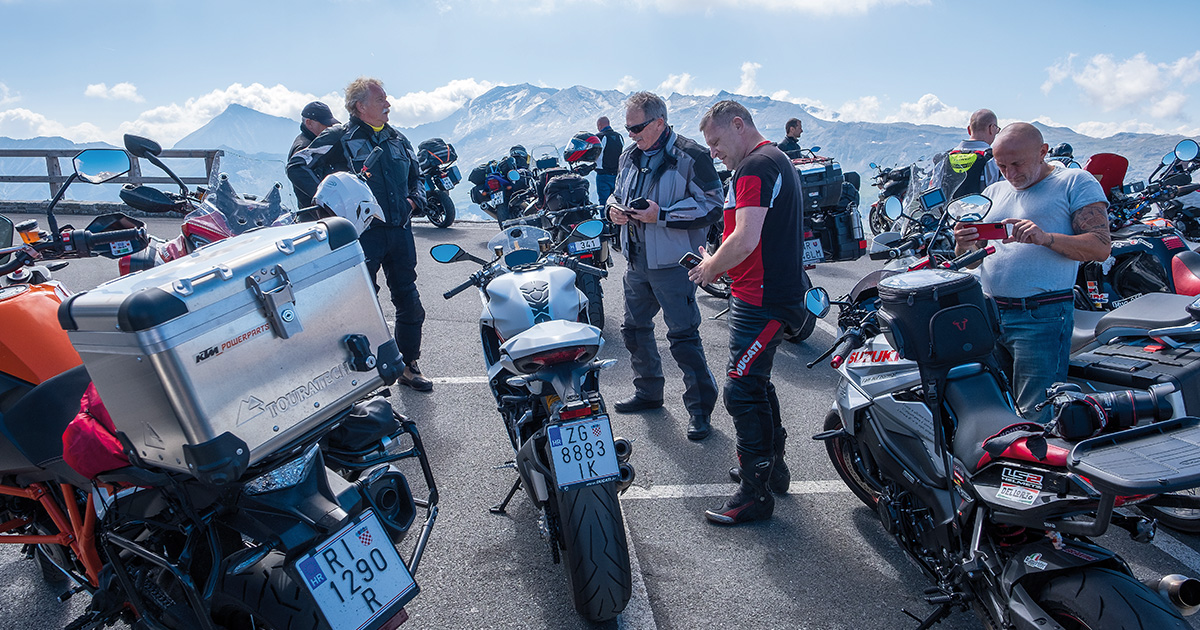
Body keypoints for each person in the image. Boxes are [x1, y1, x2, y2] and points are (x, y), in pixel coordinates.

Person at [691, 100, 809, 525]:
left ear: (738, 125)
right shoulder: (771, 159)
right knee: (755, 382)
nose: (713, 152)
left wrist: (710, 268)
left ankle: (754, 494)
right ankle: (771, 469)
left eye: (716, 142)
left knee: (740, 389)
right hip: (761, 293)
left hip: (763, 298)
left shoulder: (756, 166)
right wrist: (718, 259)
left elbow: (745, 239)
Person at [953, 123, 1110, 421]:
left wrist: (1045, 238)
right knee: (996, 409)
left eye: (1017, 164)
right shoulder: (994, 191)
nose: (1010, 174)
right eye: (1001, 166)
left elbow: (1101, 247)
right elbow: (971, 262)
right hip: (991, 313)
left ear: (1042, 152)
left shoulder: (1074, 181)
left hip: (1041, 316)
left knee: (1037, 413)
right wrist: (964, 243)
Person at [287, 77, 433, 392]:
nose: (388, 104)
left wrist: (413, 201)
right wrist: (328, 202)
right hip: (361, 236)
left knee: (410, 302)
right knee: (359, 306)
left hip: (400, 232)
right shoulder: (339, 136)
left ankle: (408, 365)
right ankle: (361, 376)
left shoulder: (398, 139)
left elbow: (417, 177)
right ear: (360, 106)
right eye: (380, 99)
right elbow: (298, 165)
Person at [606, 92, 722, 441]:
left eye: (637, 128)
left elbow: (713, 205)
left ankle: (700, 411)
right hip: (636, 262)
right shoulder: (629, 155)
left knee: (683, 338)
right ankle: (648, 392)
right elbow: (616, 193)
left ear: (659, 122)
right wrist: (613, 209)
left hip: (673, 265)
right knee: (634, 330)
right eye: (628, 129)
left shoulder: (692, 155)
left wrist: (663, 215)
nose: (631, 135)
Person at [929, 108, 1003, 201]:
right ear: (991, 129)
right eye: (997, 130)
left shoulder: (943, 159)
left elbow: (932, 193)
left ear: (969, 130)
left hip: (948, 210)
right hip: (980, 210)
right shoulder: (995, 160)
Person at [288, 101, 339, 207]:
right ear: (309, 123)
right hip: (314, 211)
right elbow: (298, 174)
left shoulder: (316, 142)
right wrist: (328, 199)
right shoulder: (304, 148)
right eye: (326, 124)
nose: (329, 128)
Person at [595, 116, 624, 204]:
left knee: (604, 201)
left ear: (599, 125)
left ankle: (605, 214)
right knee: (616, 201)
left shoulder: (599, 137)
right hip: (617, 175)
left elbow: (594, 155)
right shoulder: (619, 136)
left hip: (603, 175)